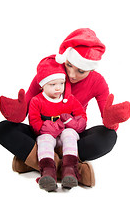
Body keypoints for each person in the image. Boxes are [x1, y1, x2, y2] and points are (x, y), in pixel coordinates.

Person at [0, 28, 130, 187]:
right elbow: (26, 105)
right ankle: (69, 170)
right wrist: (17, 111)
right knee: (3, 129)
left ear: (92, 68)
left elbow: (107, 119)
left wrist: (112, 119)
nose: (72, 75)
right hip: (43, 132)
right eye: (69, 65)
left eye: (81, 70)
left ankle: (35, 162)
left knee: (108, 136)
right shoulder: (50, 70)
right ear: (64, 59)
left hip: (71, 134)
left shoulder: (98, 82)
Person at [29, 55, 87, 191]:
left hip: (65, 134)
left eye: (61, 83)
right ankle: (48, 172)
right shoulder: (37, 101)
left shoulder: (69, 99)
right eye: (53, 84)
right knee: (44, 139)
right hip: (49, 135)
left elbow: (81, 116)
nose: (58, 88)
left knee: (69, 133)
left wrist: (72, 123)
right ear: (43, 85)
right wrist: (48, 127)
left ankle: (70, 170)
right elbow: (34, 121)